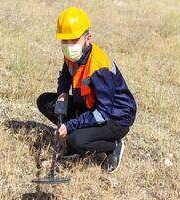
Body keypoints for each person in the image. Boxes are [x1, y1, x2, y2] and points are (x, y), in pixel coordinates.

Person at [37, 7, 137, 173]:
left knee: (75, 141)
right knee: (45, 102)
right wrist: (62, 93)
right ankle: (84, 132)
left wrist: (71, 126)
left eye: (74, 40)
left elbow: (103, 113)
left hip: (115, 117)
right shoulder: (73, 54)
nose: (68, 46)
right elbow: (65, 76)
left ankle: (113, 145)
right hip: (89, 106)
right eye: (64, 40)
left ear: (88, 38)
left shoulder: (99, 67)